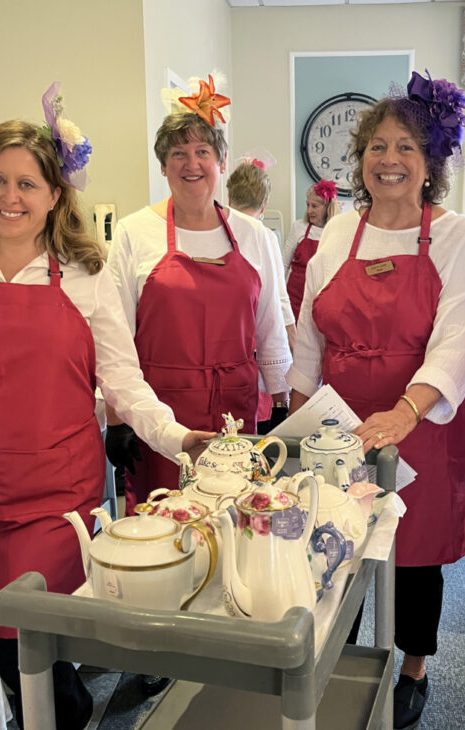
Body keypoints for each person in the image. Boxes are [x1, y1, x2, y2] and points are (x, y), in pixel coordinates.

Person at [0, 84, 213, 730]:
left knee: (35, 649)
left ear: (55, 195)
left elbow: (125, 386)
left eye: (27, 183)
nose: (10, 197)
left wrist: (179, 437)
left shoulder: (83, 273)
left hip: (52, 507)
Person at [288, 69, 465, 730]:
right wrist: (293, 423)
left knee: (416, 554)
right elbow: (309, 334)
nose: (390, 159)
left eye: (406, 147)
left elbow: (457, 341)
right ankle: (335, 657)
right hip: (340, 422)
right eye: (378, 146)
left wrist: (404, 412)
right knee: (331, 545)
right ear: (361, 159)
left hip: (422, 419)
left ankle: (413, 667)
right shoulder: (339, 235)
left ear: (430, 164)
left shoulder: (457, 236)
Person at [106, 74, 291, 512]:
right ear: (163, 165)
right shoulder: (135, 232)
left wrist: (281, 403)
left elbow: (269, 327)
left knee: (235, 518)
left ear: (221, 162)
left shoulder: (254, 235)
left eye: (202, 152)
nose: (192, 163)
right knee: (165, 522)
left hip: (236, 413)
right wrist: (118, 419)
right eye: (178, 153)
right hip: (158, 415)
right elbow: (114, 339)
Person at [226, 156, 295, 433]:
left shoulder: (214, 229)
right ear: (264, 205)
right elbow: (278, 298)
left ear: (228, 196)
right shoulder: (265, 236)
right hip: (255, 340)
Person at [283, 179, 341, 321]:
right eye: (307, 205)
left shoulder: (336, 232)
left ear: (327, 207)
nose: (309, 210)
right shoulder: (299, 227)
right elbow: (283, 264)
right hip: (295, 298)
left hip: (322, 298)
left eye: (314, 206)